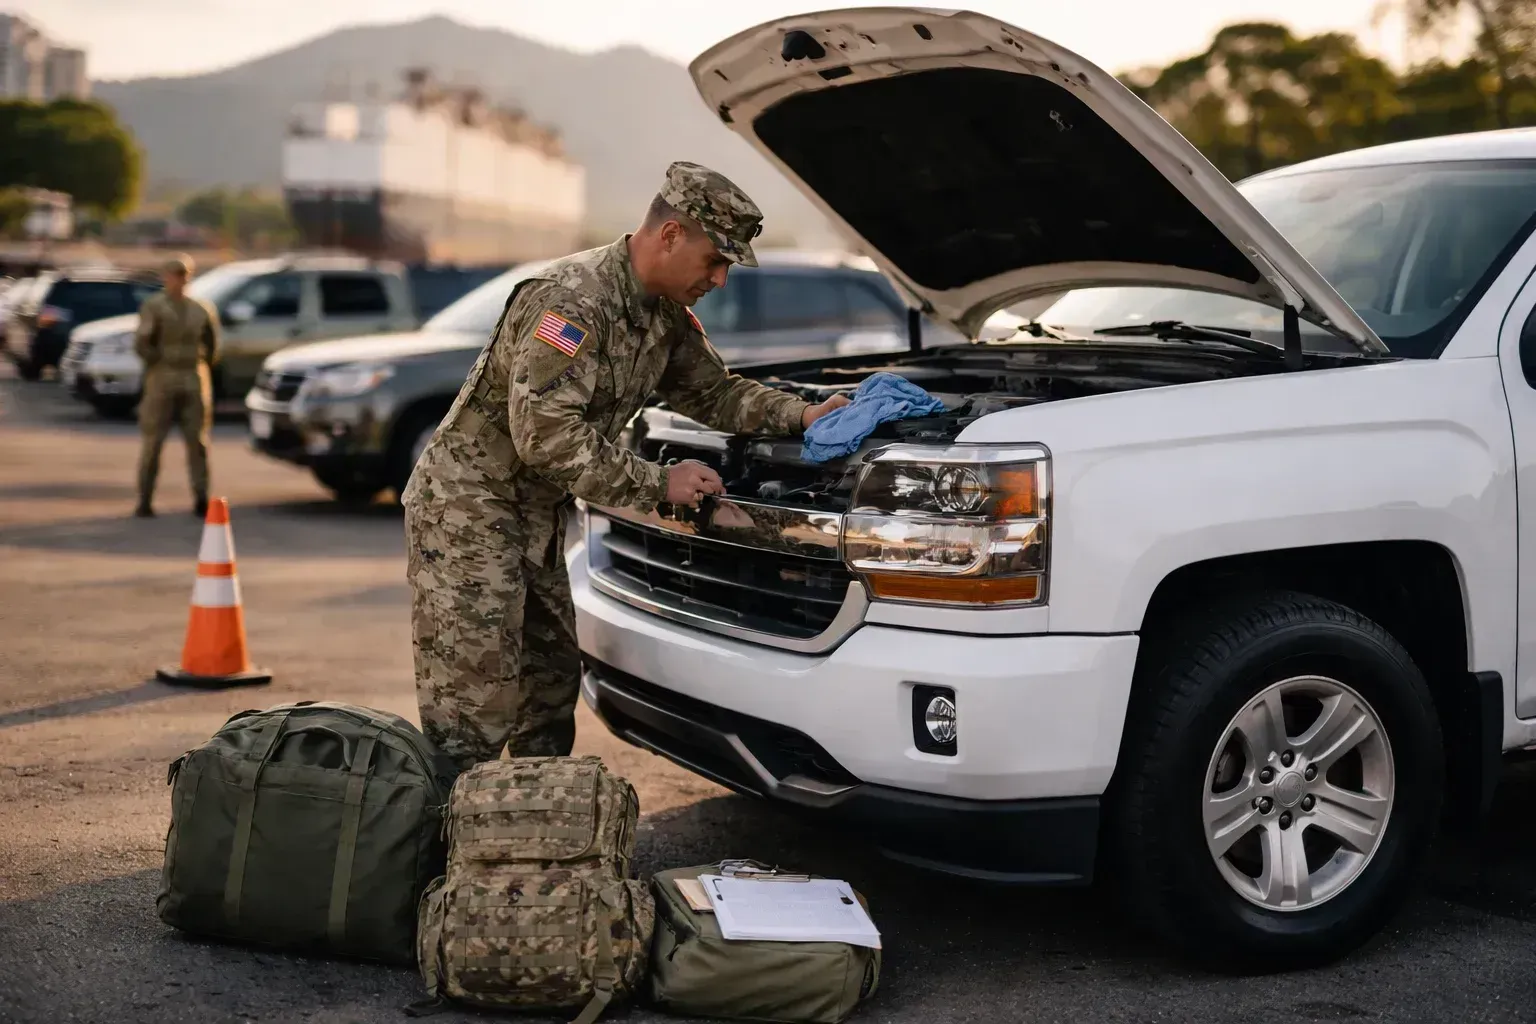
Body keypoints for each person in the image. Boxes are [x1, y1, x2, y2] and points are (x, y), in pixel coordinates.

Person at [402, 160, 851, 771]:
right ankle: (444, 854)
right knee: (474, 708)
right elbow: (547, 436)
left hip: (532, 516)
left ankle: (536, 841)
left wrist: (806, 416)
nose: (720, 279)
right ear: (670, 236)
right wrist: (657, 482)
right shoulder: (571, 303)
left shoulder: (662, 315)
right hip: (467, 510)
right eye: (715, 260)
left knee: (549, 691)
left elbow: (714, 393)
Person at [133, 255, 220, 519]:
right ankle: (145, 499)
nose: (179, 279)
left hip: (193, 376)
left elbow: (213, 345)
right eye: (173, 274)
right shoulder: (155, 306)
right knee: (153, 443)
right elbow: (142, 342)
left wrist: (200, 365)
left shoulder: (201, 308)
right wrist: (156, 363)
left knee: (198, 442)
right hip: (163, 377)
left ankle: (201, 497)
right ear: (165, 276)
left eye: (183, 274)